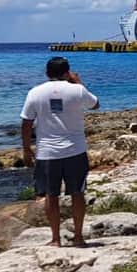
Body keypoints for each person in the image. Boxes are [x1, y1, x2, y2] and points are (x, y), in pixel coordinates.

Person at [21, 57, 100, 247]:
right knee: (77, 193)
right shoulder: (78, 90)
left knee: (51, 195)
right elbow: (95, 104)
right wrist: (78, 82)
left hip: (47, 152)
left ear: (47, 73)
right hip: (75, 150)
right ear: (67, 72)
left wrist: (26, 148)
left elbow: (26, 122)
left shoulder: (35, 92)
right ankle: (79, 237)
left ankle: (55, 238)